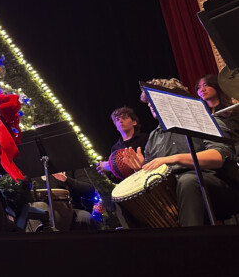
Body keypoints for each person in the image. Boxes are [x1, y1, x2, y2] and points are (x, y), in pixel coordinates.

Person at [121, 78, 239, 226]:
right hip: (174, 188)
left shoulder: (203, 121)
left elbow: (218, 157)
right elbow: (153, 173)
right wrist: (140, 168)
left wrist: (172, 158)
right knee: (128, 198)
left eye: (153, 99)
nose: (150, 104)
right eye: (149, 102)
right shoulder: (154, 136)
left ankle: (190, 244)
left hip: (216, 185)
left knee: (188, 180)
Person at [96, 107, 150, 176]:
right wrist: (108, 170)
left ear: (134, 122)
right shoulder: (115, 148)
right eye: (117, 120)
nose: (120, 121)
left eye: (124, 118)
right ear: (116, 127)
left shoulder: (146, 138)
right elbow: (119, 179)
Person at [196, 74, 239, 143]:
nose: (202, 90)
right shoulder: (200, 114)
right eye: (199, 87)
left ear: (216, 86)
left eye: (206, 85)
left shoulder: (233, 110)